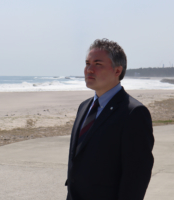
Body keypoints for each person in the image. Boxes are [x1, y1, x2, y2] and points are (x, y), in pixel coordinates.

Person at [65, 38, 154, 200]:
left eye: (98, 64)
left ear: (117, 71)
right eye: (87, 63)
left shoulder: (134, 113)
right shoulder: (84, 107)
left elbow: (136, 176)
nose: (89, 70)